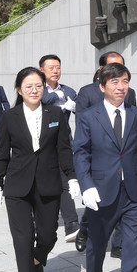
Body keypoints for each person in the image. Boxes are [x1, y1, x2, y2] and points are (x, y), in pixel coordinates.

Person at [0, 67, 80, 272]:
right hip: (17, 186)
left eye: (38, 85)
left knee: (48, 235)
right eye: (28, 86)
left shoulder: (55, 113)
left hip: (48, 183)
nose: (34, 90)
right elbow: (2, 152)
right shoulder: (10, 116)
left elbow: (64, 149)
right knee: (23, 239)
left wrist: (72, 176)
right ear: (19, 89)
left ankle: (37, 258)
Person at [72, 63, 137, 272]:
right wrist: (86, 186)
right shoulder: (88, 116)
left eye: (125, 81)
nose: (121, 87)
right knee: (97, 245)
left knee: (133, 249)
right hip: (101, 192)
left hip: (132, 194)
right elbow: (81, 152)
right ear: (102, 86)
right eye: (115, 82)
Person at [73, 51, 137, 254]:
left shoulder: (129, 92)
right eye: (113, 67)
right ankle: (84, 230)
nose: (119, 83)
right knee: (98, 204)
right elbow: (81, 130)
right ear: (101, 69)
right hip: (99, 159)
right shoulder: (87, 92)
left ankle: (118, 244)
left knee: (123, 202)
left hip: (123, 160)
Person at [39, 54, 81, 242]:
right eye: (51, 68)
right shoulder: (37, 89)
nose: (55, 71)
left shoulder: (69, 90)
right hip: (40, 144)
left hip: (63, 143)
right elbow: (39, 102)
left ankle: (72, 224)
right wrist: (55, 97)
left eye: (58, 67)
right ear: (41, 70)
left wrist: (75, 107)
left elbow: (82, 110)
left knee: (65, 182)